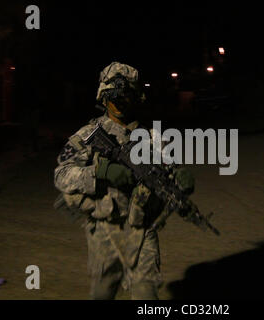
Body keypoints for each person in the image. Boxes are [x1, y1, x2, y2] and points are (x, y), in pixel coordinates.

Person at [54, 62, 194, 300]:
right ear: (103, 96)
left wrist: (181, 178)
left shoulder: (152, 139)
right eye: (114, 96)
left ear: (136, 97)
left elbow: (170, 171)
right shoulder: (88, 135)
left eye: (126, 96)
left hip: (142, 228)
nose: (120, 102)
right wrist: (100, 172)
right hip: (104, 229)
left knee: (146, 294)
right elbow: (61, 175)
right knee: (103, 291)